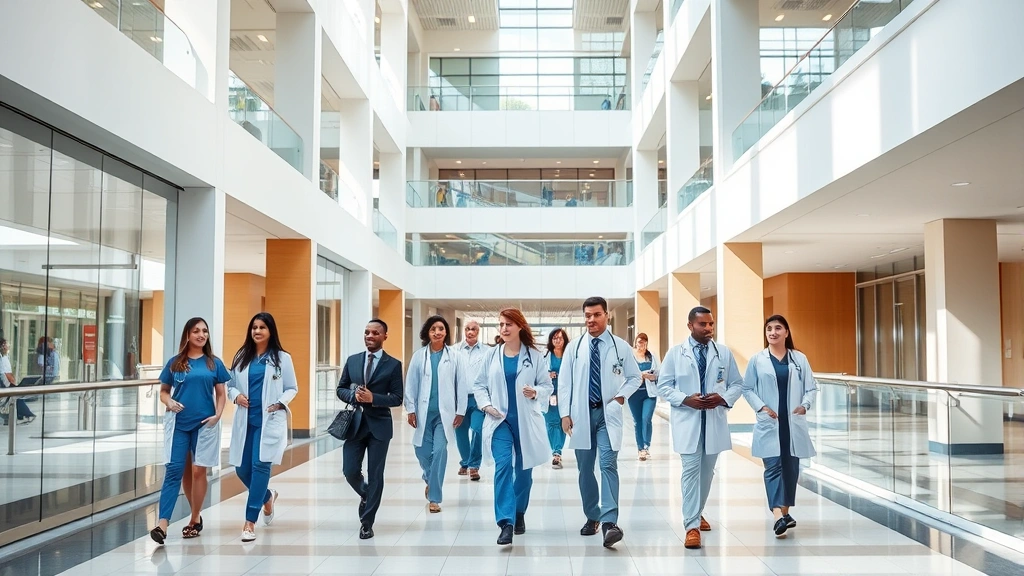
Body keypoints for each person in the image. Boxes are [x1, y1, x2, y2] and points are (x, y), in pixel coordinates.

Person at [655, 306, 743, 550]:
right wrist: (685, 399)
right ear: (690, 326)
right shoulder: (675, 354)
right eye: (703, 324)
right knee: (691, 471)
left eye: (711, 324)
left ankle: (697, 511)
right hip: (688, 419)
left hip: (713, 420)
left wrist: (722, 397)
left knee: (707, 473)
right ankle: (691, 526)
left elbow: (737, 384)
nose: (708, 329)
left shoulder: (723, 353)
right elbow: (663, 386)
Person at [558, 296, 641, 548]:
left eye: (596, 315)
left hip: (607, 414)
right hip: (581, 416)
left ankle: (609, 522)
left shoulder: (620, 346)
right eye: (587, 315)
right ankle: (592, 515)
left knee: (607, 465)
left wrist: (619, 397)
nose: (591, 320)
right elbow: (564, 383)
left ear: (606, 315)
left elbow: (635, 377)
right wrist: (564, 413)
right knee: (585, 470)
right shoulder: (575, 348)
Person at [474, 308, 553, 545]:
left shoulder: (535, 356)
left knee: (524, 471)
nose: (504, 329)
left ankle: (519, 512)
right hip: (500, 421)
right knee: (503, 467)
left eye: (509, 324)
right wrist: (486, 405)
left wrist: (536, 392)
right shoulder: (491, 355)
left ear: (520, 326)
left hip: (526, 421)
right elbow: (479, 385)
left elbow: (547, 387)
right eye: (501, 324)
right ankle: (506, 522)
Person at [150, 317, 229, 545]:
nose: (201, 335)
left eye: (205, 331)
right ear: (188, 335)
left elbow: (221, 393)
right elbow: (164, 391)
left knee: (197, 472)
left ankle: (195, 519)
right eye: (196, 331)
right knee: (175, 470)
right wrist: (169, 402)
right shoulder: (176, 362)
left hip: (205, 425)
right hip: (179, 425)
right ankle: (162, 524)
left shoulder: (214, 363)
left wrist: (217, 415)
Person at [743, 315, 818, 537]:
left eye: (778, 328)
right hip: (771, 421)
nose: (773, 332)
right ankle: (777, 515)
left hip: (792, 423)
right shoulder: (758, 360)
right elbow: (747, 388)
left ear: (786, 332)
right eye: (769, 329)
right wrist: (762, 407)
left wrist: (805, 405)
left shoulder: (799, 359)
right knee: (773, 467)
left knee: (791, 470)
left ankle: (785, 513)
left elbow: (811, 388)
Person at [226, 313, 298, 542]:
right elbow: (229, 385)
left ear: (270, 331)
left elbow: (291, 387)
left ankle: (249, 522)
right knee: (241, 469)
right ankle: (267, 497)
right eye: (254, 327)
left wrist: (281, 403)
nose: (257, 331)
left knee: (260, 466)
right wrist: (236, 396)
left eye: (262, 327)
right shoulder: (241, 357)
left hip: (268, 420)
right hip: (246, 421)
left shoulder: (282, 358)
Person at [337, 319, 405, 540]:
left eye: (375, 333)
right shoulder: (353, 361)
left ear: (385, 336)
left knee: (376, 475)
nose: (369, 336)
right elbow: (341, 388)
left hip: (379, 427)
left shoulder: (393, 365)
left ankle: (367, 522)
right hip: (354, 425)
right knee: (349, 471)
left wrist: (373, 398)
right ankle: (367, 494)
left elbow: (397, 398)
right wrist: (353, 395)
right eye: (366, 332)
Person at [405, 315, 466, 513]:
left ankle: (434, 497)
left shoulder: (455, 356)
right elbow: (411, 384)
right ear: (427, 333)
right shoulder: (419, 356)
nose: (437, 332)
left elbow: (461, 384)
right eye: (433, 329)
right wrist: (411, 409)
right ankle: (429, 478)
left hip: (444, 414)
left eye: (441, 328)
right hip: (423, 412)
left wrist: (461, 410)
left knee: (440, 450)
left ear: (446, 332)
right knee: (421, 450)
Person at [455, 320, 486, 481]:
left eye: (473, 329)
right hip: (459, 399)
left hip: (478, 399)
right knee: (460, 433)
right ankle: (465, 462)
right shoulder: (454, 351)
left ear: (478, 331)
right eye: (467, 329)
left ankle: (474, 465)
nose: (470, 332)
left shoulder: (487, 351)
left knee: (477, 429)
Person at [627, 333, 660, 461]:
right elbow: (626, 374)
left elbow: (659, 373)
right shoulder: (630, 357)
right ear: (636, 343)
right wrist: (640, 375)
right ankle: (640, 449)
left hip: (649, 393)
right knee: (637, 421)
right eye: (640, 342)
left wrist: (651, 376)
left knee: (646, 418)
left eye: (644, 342)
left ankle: (646, 446)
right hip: (634, 394)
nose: (642, 345)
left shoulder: (652, 356)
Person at [544, 328, 569, 469]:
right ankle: (556, 453)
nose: (557, 340)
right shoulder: (546, 356)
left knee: (563, 421)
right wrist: (548, 375)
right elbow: (539, 374)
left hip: (565, 393)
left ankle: (557, 449)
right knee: (551, 422)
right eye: (554, 338)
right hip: (551, 394)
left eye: (560, 338)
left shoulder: (569, 355)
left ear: (564, 340)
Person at [1, 338, 36, 425]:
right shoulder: (2, 359)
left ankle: (23, 415)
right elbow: (6, 374)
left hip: (5, 385)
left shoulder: (4, 357)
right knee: (16, 396)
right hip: (5, 386)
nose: (8, 347)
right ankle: (25, 415)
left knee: (16, 395)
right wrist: (13, 384)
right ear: (2, 347)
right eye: (6, 345)